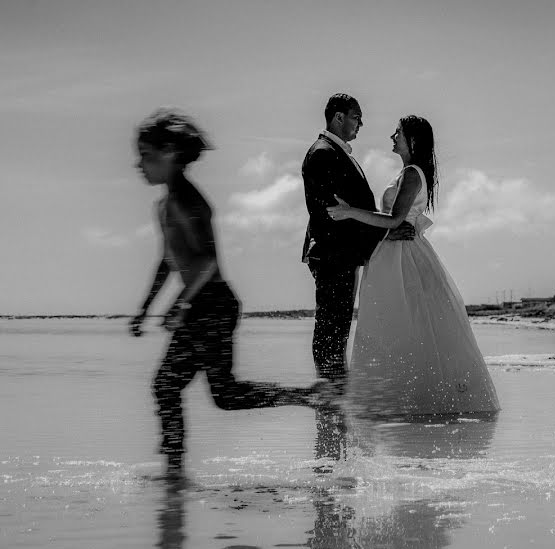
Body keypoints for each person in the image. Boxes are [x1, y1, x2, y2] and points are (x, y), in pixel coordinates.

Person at [130, 108, 311, 470]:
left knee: (217, 394)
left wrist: (180, 304)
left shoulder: (188, 201)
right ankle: (174, 471)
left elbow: (207, 262)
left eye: (145, 156)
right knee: (180, 388)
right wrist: (146, 308)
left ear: (169, 154)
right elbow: (169, 262)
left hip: (212, 305)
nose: (139, 165)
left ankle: (308, 396)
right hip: (200, 305)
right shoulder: (165, 204)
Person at [327, 115, 500, 416]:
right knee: (398, 325)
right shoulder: (409, 172)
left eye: (398, 133)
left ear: (413, 141)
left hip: (402, 256)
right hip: (395, 252)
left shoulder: (411, 174)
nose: (392, 137)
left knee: (401, 324)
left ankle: (404, 405)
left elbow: (394, 220)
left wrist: (349, 212)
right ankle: (399, 403)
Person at [301, 93, 414, 389]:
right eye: (357, 117)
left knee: (335, 332)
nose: (361, 123)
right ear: (339, 117)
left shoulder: (338, 153)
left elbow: (348, 210)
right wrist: (386, 231)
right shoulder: (323, 153)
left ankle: (333, 404)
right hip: (332, 255)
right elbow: (331, 214)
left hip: (341, 255)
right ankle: (330, 404)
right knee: (331, 333)